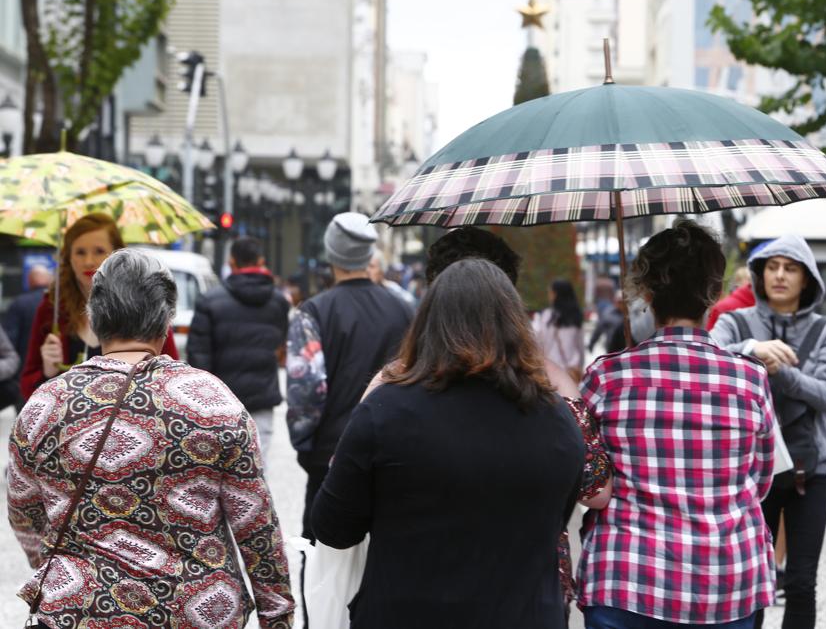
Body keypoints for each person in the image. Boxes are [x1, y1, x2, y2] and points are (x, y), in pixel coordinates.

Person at [7, 249, 294, 628]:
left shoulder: (47, 404)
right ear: (167, 319)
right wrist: (277, 616)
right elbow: (255, 524)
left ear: (94, 317)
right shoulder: (212, 402)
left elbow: (24, 513)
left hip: (78, 611)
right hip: (195, 609)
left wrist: (59, 567)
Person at [312, 258, 585, 628]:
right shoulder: (558, 420)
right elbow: (558, 516)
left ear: (427, 326)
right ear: (517, 326)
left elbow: (332, 527)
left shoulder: (384, 410)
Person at [577, 219, 776, 629]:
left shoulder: (607, 377)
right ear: (715, 293)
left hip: (626, 579)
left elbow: (587, 476)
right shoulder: (749, 378)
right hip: (729, 581)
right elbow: (759, 480)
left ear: (647, 295)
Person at [709, 234, 826, 629]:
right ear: (759, 274)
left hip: (810, 471)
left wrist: (781, 372)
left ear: (807, 279)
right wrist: (753, 348)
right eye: (772, 267)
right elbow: (712, 355)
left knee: (802, 582)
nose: (780, 275)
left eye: (791, 268)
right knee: (748, 582)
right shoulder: (737, 321)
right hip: (750, 473)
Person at [286, 212, 413, 543]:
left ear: (331, 254)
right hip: (394, 447)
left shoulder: (313, 312)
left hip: (331, 452)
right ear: (368, 255)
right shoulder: (403, 309)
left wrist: (304, 444)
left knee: (321, 550)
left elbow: (307, 389)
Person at [20, 213, 178, 399]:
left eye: (99, 251)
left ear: (116, 254)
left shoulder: (145, 302)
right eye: (80, 252)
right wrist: (46, 372)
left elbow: (170, 374)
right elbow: (27, 389)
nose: (89, 261)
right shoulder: (51, 308)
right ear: (68, 257)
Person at [187, 236, 290, 454]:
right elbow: (281, 344)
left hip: (219, 405)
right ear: (261, 261)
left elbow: (198, 356)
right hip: (262, 400)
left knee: (217, 474)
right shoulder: (278, 302)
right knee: (258, 472)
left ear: (232, 262)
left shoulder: (210, 301)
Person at [2, 265, 52, 408]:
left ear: (30, 281)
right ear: (49, 280)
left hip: (25, 374)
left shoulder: (19, 303)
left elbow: (9, 340)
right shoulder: (60, 304)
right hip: (58, 376)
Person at [533, 279, 585, 380]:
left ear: (556, 294)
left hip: (552, 369)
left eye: (550, 293)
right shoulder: (576, 316)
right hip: (571, 370)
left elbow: (541, 342)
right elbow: (580, 346)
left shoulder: (548, 316)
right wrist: (580, 367)